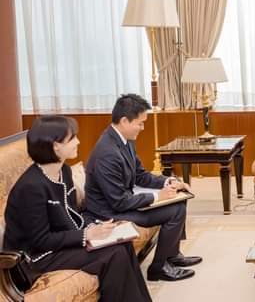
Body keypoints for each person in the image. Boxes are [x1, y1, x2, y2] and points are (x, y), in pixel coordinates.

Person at [3, 116, 152, 302]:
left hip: (58, 245)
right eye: (72, 138)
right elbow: (40, 241)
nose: (78, 142)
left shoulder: (64, 171)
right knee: (114, 255)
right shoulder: (31, 187)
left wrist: (94, 228)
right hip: (35, 258)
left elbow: (71, 215)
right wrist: (85, 235)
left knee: (123, 244)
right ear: (55, 146)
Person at [84, 94, 201, 282]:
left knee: (179, 198)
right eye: (140, 123)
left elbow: (140, 175)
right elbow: (119, 202)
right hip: (108, 212)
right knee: (175, 210)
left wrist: (168, 182)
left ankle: (171, 256)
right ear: (124, 121)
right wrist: (157, 197)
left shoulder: (125, 140)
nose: (143, 128)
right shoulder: (107, 152)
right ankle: (158, 269)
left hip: (122, 202)